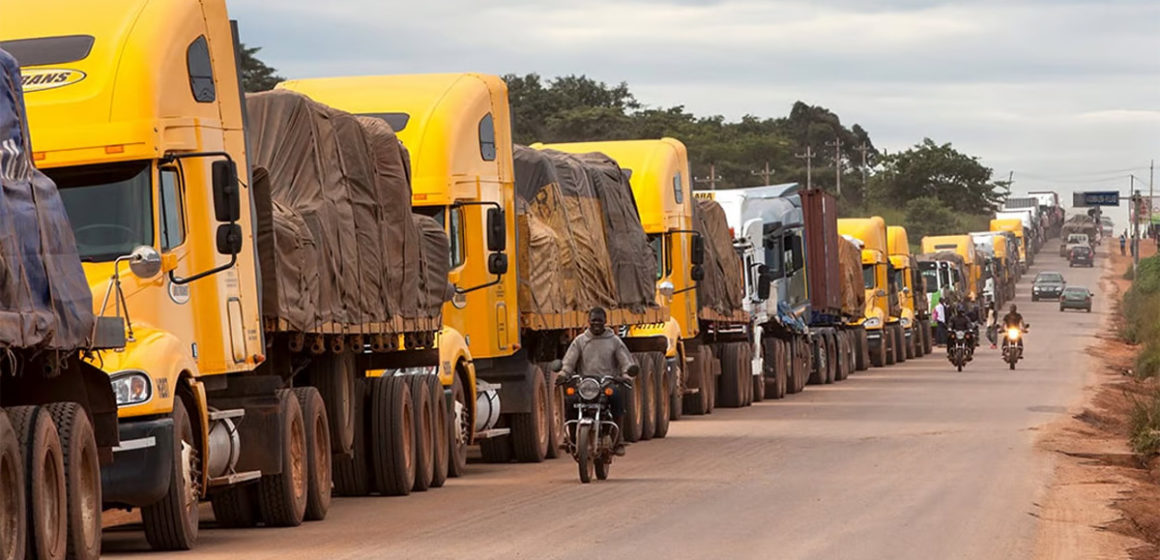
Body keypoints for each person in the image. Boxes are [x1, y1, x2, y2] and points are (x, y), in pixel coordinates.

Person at [560, 307, 636, 454]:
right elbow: (569, 362)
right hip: (585, 386)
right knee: (570, 400)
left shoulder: (614, 341)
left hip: (606, 385)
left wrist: (626, 376)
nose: (596, 324)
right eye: (594, 320)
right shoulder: (580, 341)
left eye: (600, 321)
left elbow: (626, 362)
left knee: (617, 397)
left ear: (605, 321)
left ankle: (618, 440)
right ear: (588, 321)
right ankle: (572, 440)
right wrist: (563, 374)